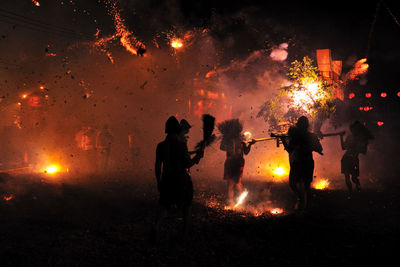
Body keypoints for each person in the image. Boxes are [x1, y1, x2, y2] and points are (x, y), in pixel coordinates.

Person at [154, 116, 203, 240]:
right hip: (181, 180)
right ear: (177, 130)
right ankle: (184, 236)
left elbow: (157, 166)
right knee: (186, 207)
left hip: (166, 179)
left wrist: (159, 182)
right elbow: (187, 164)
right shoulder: (181, 145)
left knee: (164, 206)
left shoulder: (160, 146)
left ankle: (156, 227)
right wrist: (198, 157)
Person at [280, 116, 323, 210]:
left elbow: (289, 149)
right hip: (307, 162)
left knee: (293, 184)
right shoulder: (311, 136)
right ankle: (305, 205)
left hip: (298, 162)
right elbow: (319, 148)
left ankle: (301, 200)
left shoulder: (296, 137)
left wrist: (283, 140)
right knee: (306, 186)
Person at [221, 132, 255, 206]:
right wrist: (224, 139)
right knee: (230, 184)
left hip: (238, 163)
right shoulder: (229, 140)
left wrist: (250, 144)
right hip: (230, 163)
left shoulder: (241, 140)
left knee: (238, 182)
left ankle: (241, 202)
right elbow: (222, 147)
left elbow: (246, 152)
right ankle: (231, 202)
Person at [340, 121, 373, 195]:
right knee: (347, 177)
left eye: (355, 129)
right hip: (346, 159)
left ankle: (358, 189)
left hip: (354, 160)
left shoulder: (361, 139)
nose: (353, 130)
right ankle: (351, 192)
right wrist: (341, 137)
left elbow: (363, 151)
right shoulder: (350, 137)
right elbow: (343, 147)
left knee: (354, 178)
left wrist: (359, 146)